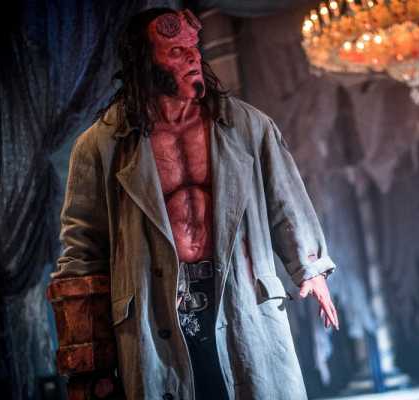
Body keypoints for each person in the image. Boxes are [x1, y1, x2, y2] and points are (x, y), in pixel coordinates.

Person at [52, 8, 339, 399]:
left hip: (240, 297)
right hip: (153, 309)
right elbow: (82, 250)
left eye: (193, 47)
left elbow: (285, 199)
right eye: (175, 51)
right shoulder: (101, 145)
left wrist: (309, 266)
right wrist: (89, 362)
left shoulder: (248, 127)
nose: (192, 57)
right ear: (143, 61)